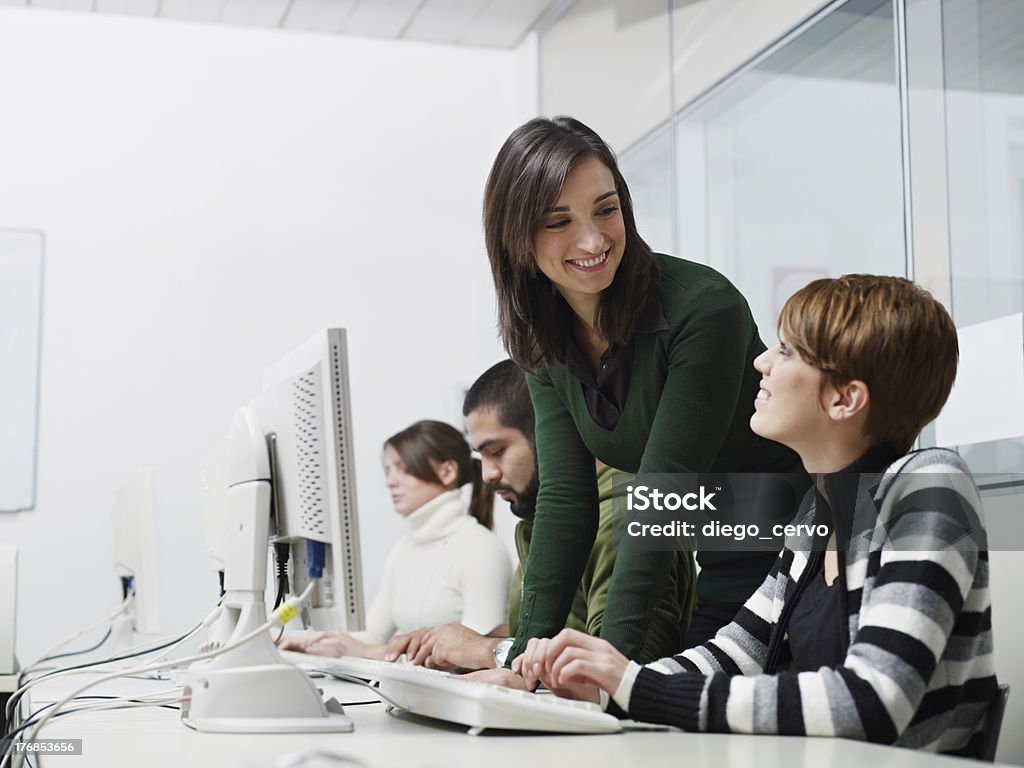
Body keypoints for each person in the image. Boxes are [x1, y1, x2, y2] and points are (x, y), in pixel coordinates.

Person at [515, 275, 998, 754]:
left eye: (786, 352)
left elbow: (871, 700)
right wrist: (605, 685)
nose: (761, 361)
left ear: (844, 399)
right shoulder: (817, 512)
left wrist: (637, 689)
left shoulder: (928, 484)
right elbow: (736, 653)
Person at [483, 116, 803, 661]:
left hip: (787, 550)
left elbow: (664, 492)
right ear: (515, 237)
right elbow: (565, 500)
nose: (592, 239)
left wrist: (611, 669)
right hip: (715, 548)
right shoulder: (542, 341)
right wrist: (520, 658)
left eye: (605, 210)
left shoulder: (703, 308)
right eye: (558, 221)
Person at [388, 360, 697, 670]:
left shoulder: (622, 515)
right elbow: (554, 637)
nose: (487, 474)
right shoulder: (538, 524)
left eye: (496, 452)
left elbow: (620, 671)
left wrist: (488, 652)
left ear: (551, 435)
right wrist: (454, 644)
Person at [280, 420, 511, 659]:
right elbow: (371, 636)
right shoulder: (404, 548)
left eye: (403, 468)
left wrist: (369, 652)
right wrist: (311, 642)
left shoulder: (481, 549)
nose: (390, 481)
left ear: (447, 472)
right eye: (388, 470)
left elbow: (476, 657)